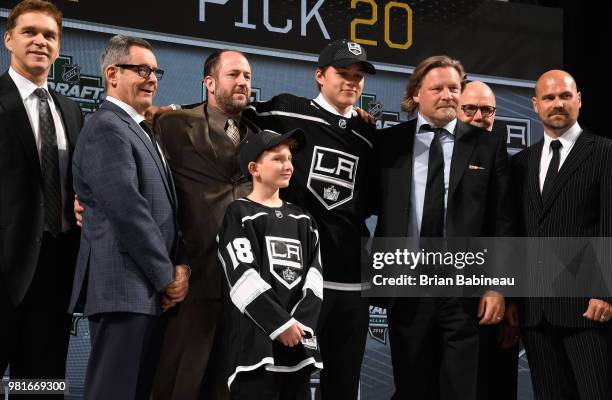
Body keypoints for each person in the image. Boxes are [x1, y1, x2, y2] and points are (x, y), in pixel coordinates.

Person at [372, 56, 513, 399]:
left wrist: (498, 287)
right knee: (412, 387)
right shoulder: (387, 144)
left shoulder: (487, 144)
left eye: (454, 87)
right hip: (407, 285)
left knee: (461, 388)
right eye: (437, 88)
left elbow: (503, 220)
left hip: (465, 288)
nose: (448, 95)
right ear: (416, 94)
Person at [244, 39, 377, 399]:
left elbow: (367, 203)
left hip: (351, 278)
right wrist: (173, 110)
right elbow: (232, 113)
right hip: (296, 275)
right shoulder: (286, 111)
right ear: (320, 76)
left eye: (358, 76)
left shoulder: (369, 135)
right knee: (290, 379)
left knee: (344, 382)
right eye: (342, 74)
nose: (351, 82)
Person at [68, 35, 189, 399]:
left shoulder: (142, 129)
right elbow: (128, 211)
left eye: (155, 70)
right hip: (124, 289)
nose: (152, 78)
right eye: (141, 69)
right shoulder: (106, 127)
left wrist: (180, 265)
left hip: (147, 292)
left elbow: (166, 210)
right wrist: (166, 275)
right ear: (111, 73)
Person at [150, 49, 258, 400]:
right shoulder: (172, 124)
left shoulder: (260, 136)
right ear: (209, 83)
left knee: (227, 387)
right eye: (233, 75)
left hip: (244, 285)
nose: (242, 82)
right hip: (191, 278)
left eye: (247, 76)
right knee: (178, 383)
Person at [512, 69, 612, 399]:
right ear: (535, 105)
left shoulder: (605, 153)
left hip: (588, 308)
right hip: (536, 312)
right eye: (549, 97)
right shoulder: (522, 163)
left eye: (565, 96)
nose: (558, 103)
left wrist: (605, 293)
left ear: (579, 100)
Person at [0, 0, 82, 387]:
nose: (40, 41)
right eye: (29, 32)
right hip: (4, 268)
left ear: (59, 46)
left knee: (42, 384)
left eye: (49, 35)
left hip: (56, 270)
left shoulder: (71, 109)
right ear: (8, 40)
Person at [217, 128, 323, 399]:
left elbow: (315, 280)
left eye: (289, 158)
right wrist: (279, 324)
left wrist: (297, 326)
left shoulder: (304, 219)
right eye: (277, 159)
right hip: (255, 350)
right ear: (254, 168)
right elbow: (241, 278)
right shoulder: (239, 213)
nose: (287, 165)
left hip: (297, 349)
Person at [459, 80, 520, 400]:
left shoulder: (509, 163)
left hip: (490, 299)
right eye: (470, 108)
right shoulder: (430, 156)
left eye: (487, 110)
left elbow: (508, 227)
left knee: (492, 384)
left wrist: (507, 295)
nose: (479, 116)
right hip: (439, 292)